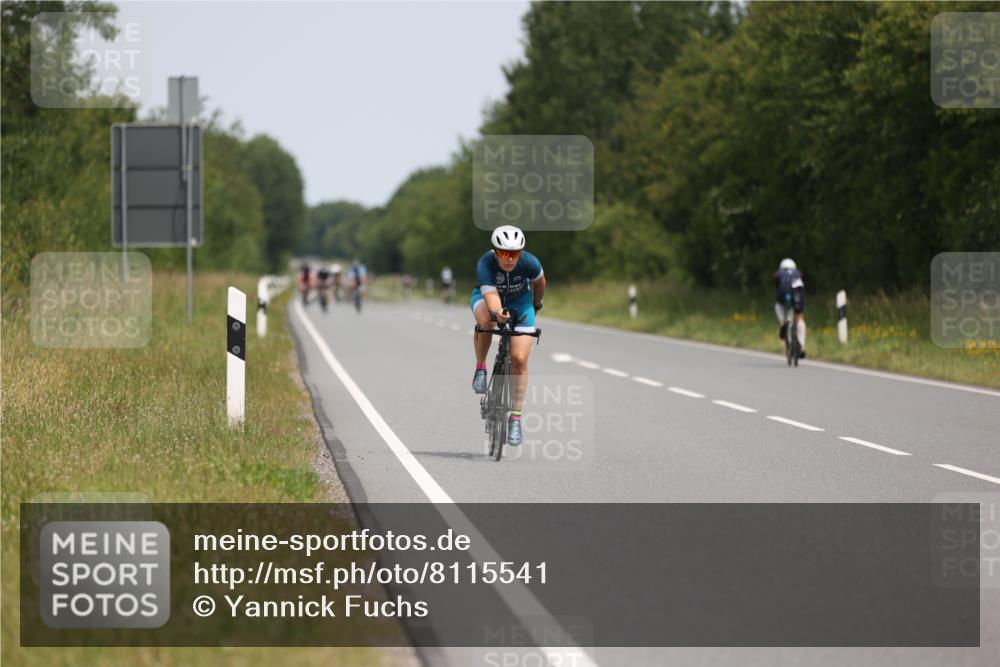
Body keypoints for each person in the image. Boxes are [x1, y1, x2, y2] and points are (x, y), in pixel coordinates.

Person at [470, 225, 546, 447]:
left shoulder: (530, 262)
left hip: (521, 303)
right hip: (488, 299)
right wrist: (498, 314)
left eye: (514, 253)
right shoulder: (486, 263)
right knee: (486, 322)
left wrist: (536, 303)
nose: (510, 259)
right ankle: (481, 367)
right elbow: (492, 297)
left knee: (519, 359)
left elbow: (540, 282)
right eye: (504, 253)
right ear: (496, 250)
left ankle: (515, 417)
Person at [774, 258, 806, 358]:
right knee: (799, 318)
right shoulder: (798, 273)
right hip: (798, 295)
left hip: (783, 294)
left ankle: (783, 322)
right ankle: (802, 347)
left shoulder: (778, 273)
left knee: (778, 305)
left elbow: (776, 284)